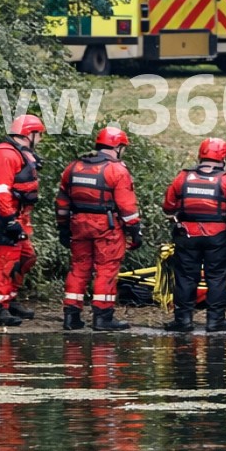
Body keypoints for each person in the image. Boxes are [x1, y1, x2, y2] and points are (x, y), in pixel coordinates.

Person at [160, 138, 226, 334]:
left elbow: (168, 207)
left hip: (186, 235)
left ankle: (183, 320)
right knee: (217, 277)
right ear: (224, 157)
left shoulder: (182, 178)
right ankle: (215, 321)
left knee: (185, 277)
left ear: (200, 155)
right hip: (218, 236)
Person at [55, 126, 143, 331]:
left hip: (78, 224)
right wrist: (135, 231)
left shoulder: (74, 167)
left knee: (79, 267)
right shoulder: (117, 170)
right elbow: (127, 208)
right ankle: (103, 317)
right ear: (118, 147)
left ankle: (71, 316)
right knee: (106, 268)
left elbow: (61, 202)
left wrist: (63, 229)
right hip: (107, 226)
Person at [0, 114, 45, 327]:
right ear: (29, 134)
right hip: (1, 218)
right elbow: (0, 191)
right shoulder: (5, 155)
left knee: (26, 257)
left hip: (15, 216)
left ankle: (9, 299)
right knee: (3, 261)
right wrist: (9, 221)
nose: (40, 139)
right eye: (39, 135)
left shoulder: (17, 154)